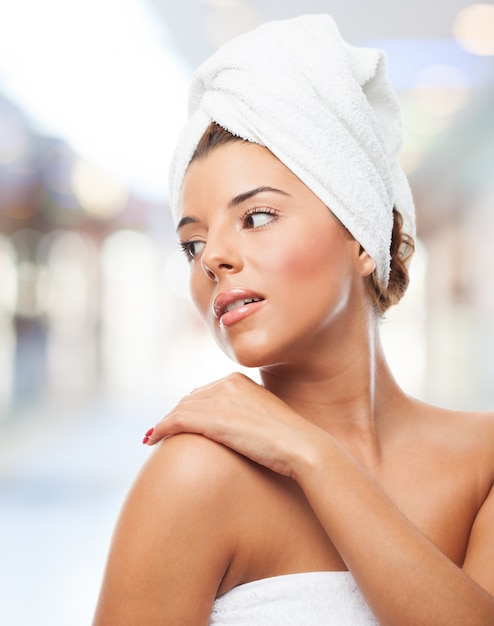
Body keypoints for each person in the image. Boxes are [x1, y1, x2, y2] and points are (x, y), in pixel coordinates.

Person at [92, 14, 494, 625]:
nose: (215, 259)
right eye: (192, 244)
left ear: (361, 238)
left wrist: (313, 457)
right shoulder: (193, 479)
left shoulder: (484, 460)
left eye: (255, 217)